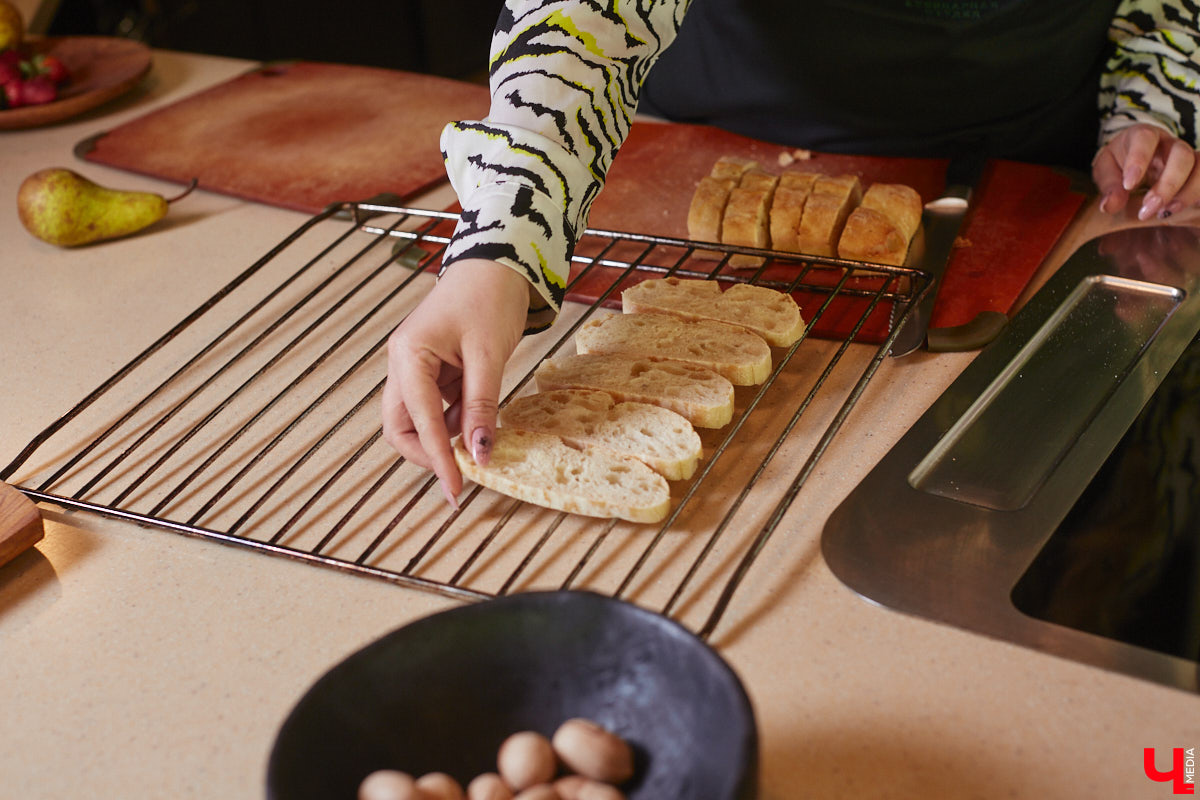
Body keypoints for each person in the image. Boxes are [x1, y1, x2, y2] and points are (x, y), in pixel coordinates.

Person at [382, 0, 1200, 506]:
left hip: (1035, 173)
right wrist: (500, 241)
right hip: (714, 126)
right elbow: (583, 19)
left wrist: (1154, 101)